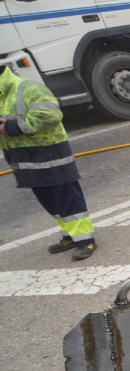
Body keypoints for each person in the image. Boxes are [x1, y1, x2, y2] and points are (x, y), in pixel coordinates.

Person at [0, 65, 97, 260]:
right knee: (50, 202)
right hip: (24, 160)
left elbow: (50, 115)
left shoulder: (28, 88)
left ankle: (85, 240)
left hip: (51, 156)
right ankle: (69, 235)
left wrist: (11, 126)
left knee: (67, 199)